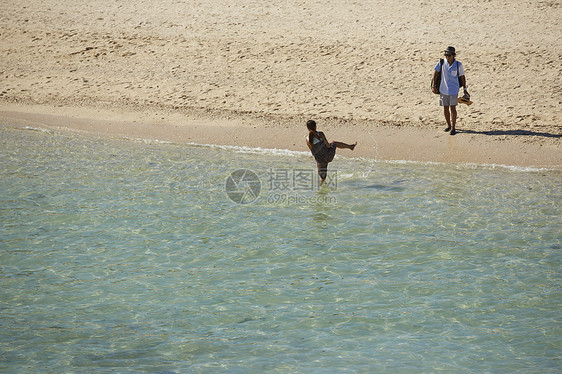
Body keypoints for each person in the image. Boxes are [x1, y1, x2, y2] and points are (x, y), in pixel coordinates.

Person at [431, 46, 470, 135]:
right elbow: (435, 73)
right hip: (443, 89)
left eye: (448, 55)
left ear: (453, 55)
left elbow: (462, 77)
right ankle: (448, 125)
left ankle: (453, 128)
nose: (447, 57)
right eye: (446, 55)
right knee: (445, 108)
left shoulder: (458, 65)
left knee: (453, 108)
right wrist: (433, 86)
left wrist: (465, 89)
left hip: (454, 90)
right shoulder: (441, 62)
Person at [305, 119, 356, 185]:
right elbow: (328, 146)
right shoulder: (320, 134)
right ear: (315, 126)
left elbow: (312, 150)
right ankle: (350, 147)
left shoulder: (307, 140)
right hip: (328, 156)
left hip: (320, 161)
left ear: (307, 128)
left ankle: (320, 193)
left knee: (322, 179)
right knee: (334, 143)